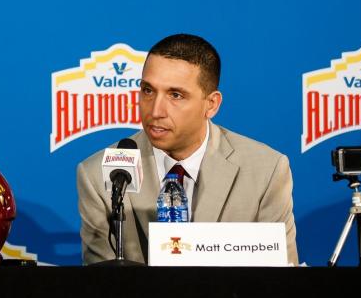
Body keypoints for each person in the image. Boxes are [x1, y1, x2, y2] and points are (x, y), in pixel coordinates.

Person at [76, 33, 297, 264]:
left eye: (176, 95)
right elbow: (101, 289)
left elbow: (280, 284)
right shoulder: (98, 175)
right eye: (148, 90)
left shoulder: (266, 172)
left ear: (211, 104)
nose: (156, 110)